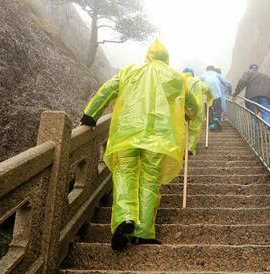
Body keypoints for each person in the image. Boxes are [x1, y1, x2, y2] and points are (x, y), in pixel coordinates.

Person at [81, 40, 199, 251]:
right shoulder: (176, 77)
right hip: (158, 137)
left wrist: (90, 116)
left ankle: (124, 219)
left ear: (148, 55)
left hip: (127, 132)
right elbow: (194, 106)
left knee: (125, 175)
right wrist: (187, 113)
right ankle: (143, 231)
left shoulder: (130, 71)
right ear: (166, 58)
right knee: (149, 180)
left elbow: (107, 90)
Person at [183, 67, 214, 155]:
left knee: (183, 128)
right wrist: (209, 99)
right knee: (193, 129)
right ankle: (190, 148)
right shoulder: (198, 83)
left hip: (182, 108)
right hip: (197, 109)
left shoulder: (179, 81)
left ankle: (182, 148)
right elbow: (208, 89)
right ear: (193, 74)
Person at [200, 66, 225, 130]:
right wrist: (230, 90)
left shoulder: (203, 75)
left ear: (207, 69)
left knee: (208, 109)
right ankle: (216, 118)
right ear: (213, 70)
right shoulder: (217, 74)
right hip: (216, 95)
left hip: (207, 96)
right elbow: (227, 83)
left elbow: (198, 82)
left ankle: (211, 124)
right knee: (217, 108)